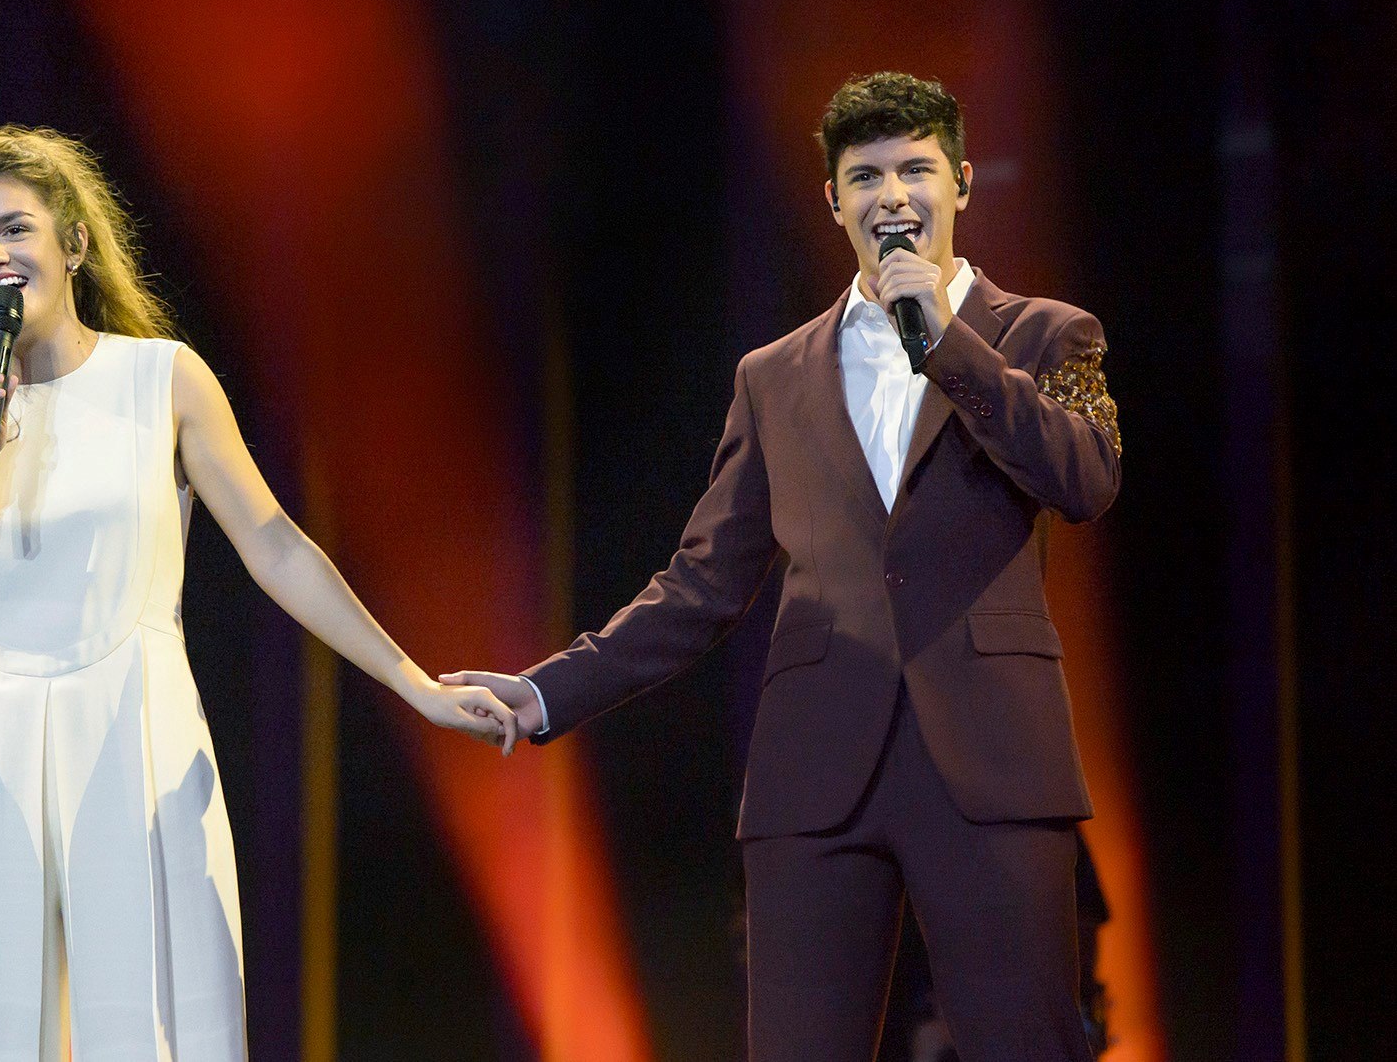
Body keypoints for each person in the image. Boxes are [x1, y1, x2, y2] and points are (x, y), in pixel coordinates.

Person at [444, 72, 1121, 1061]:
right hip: (815, 770)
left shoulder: (1044, 335)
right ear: (832, 199)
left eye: (915, 169)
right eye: (865, 175)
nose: (891, 194)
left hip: (991, 761)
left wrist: (945, 343)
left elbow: (1085, 477)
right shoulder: (773, 376)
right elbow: (700, 584)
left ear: (962, 183)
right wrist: (544, 693)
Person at [0, 126, 513, 1060]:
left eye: (12, 228)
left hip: (131, 724)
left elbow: (276, 545)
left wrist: (413, 682)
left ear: (71, 243)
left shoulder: (163, 380)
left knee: (144, 1018)